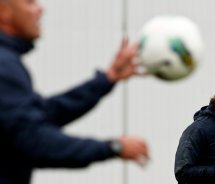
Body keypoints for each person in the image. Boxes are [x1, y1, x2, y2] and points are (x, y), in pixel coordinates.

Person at [0, 0, 149, 184]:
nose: (40, 8)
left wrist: (108, 78)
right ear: (3, 12)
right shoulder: (4, 65)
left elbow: (40, 116)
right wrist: (112, 147)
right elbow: (33, 140)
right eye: (29, 2)